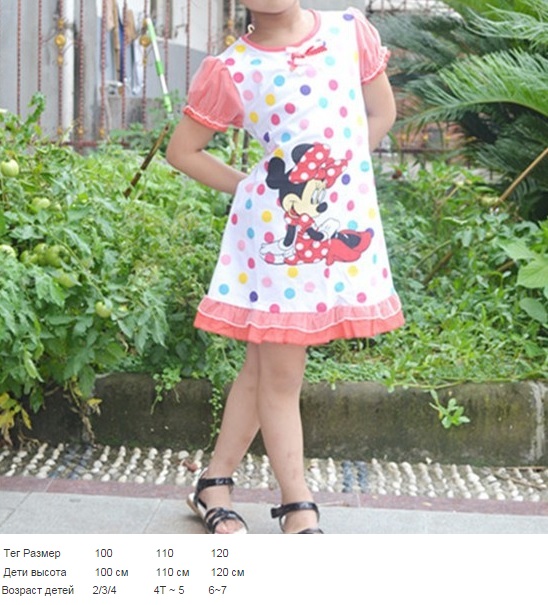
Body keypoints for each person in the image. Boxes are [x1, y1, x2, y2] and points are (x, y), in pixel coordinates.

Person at [166, 0, 404, 534]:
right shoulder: (233, 68)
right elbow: (183, 151)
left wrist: (337, 179)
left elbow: (380, 113)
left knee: (263, 367)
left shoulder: (349, 31)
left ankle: (213, 483)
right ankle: (298, 504)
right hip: (278, 241)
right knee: (281, 372)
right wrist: (254, 189)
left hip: (329, 225)